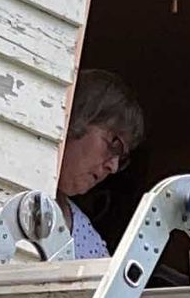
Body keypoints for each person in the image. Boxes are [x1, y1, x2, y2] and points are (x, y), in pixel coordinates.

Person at [57, 67, 144, 255]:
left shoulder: (92, 248)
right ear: (75, 118)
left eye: (121, 159)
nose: (113, 167)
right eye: (115, 143)